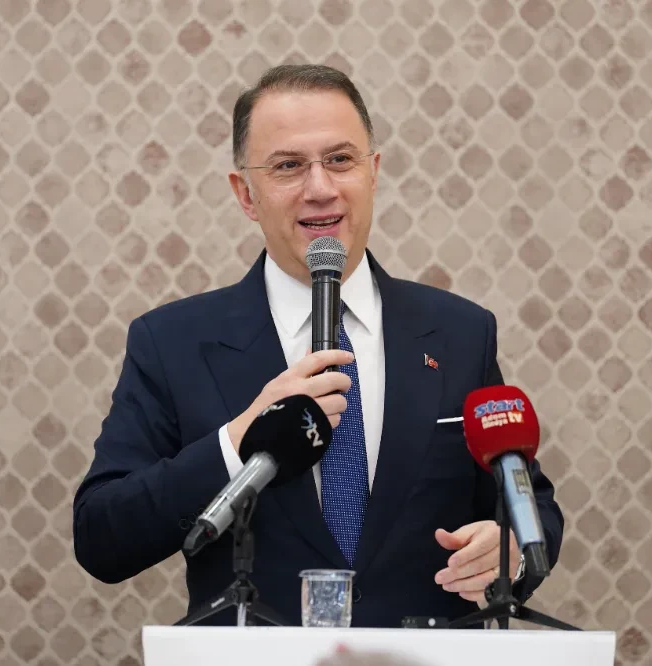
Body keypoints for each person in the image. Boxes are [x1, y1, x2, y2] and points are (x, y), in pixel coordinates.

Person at [72, 64, 564, 628]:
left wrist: (510, 549)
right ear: (246, 194)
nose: (321, 188)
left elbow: (531, 504)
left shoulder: (459, 333)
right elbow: (102, 537)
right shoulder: (172, 342)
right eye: (288, 166)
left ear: (372, 172)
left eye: (340, 159)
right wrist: (239, 439)